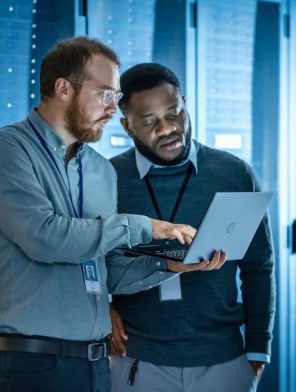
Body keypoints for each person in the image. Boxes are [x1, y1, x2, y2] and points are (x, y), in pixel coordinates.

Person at [0, 38, 225, 392]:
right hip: (31, 364)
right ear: (63, 88)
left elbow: (106, 271)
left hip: (94, 365)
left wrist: (169, 266)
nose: (114, 109)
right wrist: (144, 226)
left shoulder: (99, 170)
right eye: (105, 93)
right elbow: (45, 239)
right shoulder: (7, 150)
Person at [108, 63, 276, 392]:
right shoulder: (108, 180)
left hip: (224, 363)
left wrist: (257, 353)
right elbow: (90, 262)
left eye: (174, 113)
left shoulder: (233, 173)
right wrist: (103, 308)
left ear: (184, 103)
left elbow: (259, 267)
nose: (168, 128)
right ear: (127, 127)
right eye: (150, 122)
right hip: (138, 364)